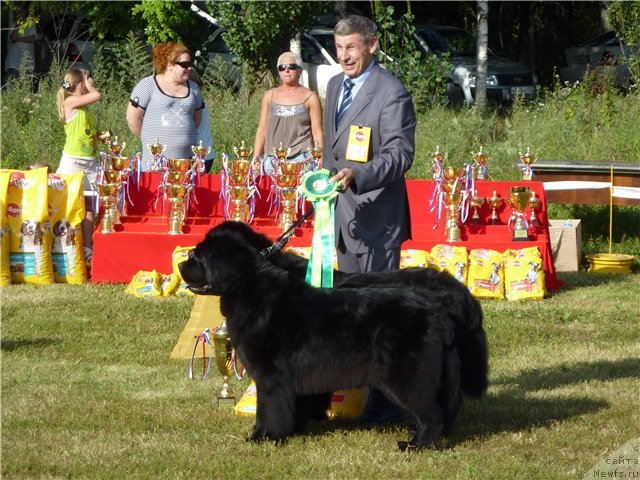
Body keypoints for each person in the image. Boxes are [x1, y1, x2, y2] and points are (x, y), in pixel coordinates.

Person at [323, 15, 417, 423]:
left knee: (381, 315)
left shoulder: (391, 92)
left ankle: (389, 404)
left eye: (352, 47)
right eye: (339, 47)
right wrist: (322, 183)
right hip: (341, 221)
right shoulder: (332, 86)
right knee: (349, 313)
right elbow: (333, 149)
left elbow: (400, 154)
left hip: (378, 220)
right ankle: (356, 393)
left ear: (372, 46)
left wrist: (358, 175)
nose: (344, 56)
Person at [126, 42, 204, 171]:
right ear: (170, 65)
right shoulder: (147, 85)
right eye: (184, 65)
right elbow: (132, 118)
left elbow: (196, 119)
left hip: (185, 162)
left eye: (190, 64)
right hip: (155, 163)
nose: (189, 68)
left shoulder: (194, 89)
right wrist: (150, 142)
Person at [56, 68, 105, 264]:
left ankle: (86, 248)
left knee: (90, 206)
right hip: (73, 163)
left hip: (90, 164)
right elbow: (97, 95)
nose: (92, 83)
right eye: (89, 80)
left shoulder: (83, 109)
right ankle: (62, 243)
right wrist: (89, 82)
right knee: (68, 204)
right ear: (82, 85)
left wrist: (98, 135)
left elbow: (84, 129)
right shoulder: (70, 101)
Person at [253, 51, 323, 174]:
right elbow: (262, 129)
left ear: (300, 71)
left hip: (302, 161)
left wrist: (320, 159)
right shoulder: (269, 96)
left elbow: (317, 131)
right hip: (271, 161)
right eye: (282, 67)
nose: (286, 70)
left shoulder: (311, 97)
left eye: (291, 67)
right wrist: (256, 158)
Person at [4, 4, 37, 81]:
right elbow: (13, 38)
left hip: (28, 63)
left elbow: (33, 38)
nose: (20, 13)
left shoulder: (31, 24)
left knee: (26, 87)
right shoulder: (13, 25)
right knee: (14, 87)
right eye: (19, 11)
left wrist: (19, 39)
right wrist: (19, 22)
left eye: (22, 10)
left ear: (26, 12)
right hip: (14, 63)